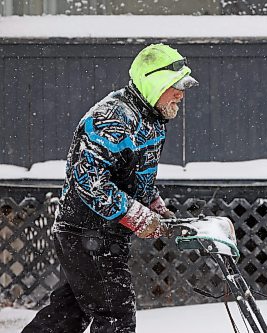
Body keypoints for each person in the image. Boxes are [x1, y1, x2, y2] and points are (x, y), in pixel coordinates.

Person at [22, 44, 199, 333]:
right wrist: (137, 216)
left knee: (68, 313)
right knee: (116, 316)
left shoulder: (152, 120)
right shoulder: (113, 119)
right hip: (86, 233)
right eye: (175, 86)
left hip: (104, 234)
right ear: (154, 83)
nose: (181, 94)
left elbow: (133, 174)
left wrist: (154, 205)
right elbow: (90, 182)